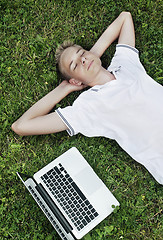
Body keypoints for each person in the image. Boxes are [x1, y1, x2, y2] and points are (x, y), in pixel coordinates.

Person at [11, 12, 163, 184]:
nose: (82, 60)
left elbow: (125, 18)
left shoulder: (125, 64)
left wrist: (92, 57)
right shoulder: (89, 107)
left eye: (81, 53)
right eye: (75, 65)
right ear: (75, 80)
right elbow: (21, 126)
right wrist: (64, 89)